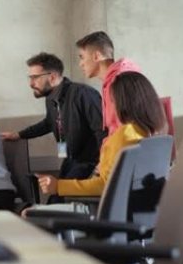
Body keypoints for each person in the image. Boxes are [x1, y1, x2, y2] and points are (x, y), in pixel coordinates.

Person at [33, 71, 165, 200]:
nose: (106, 107)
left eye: (109, 101)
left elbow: (104, 185)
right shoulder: (149, 133)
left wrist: (58, 186)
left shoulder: (124, 136)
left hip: (102, 215)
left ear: (121, 103)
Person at [1, 52, 105, 180]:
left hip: (91, 163)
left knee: (60, 197)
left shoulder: (83, 94)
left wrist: (102, 162)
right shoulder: (51, 99)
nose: (31, 84)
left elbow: (103, 129)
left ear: (52, 77)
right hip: (70, 161)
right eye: (30, 78)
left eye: (35, 77)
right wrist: (19, 134)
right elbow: (49, 123)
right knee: (56, 197)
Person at [75, 31, 142, 137]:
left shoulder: (120, 83)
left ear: (97, 56)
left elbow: (128, 134)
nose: (80, 64)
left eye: (82, 57)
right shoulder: (116, 80)